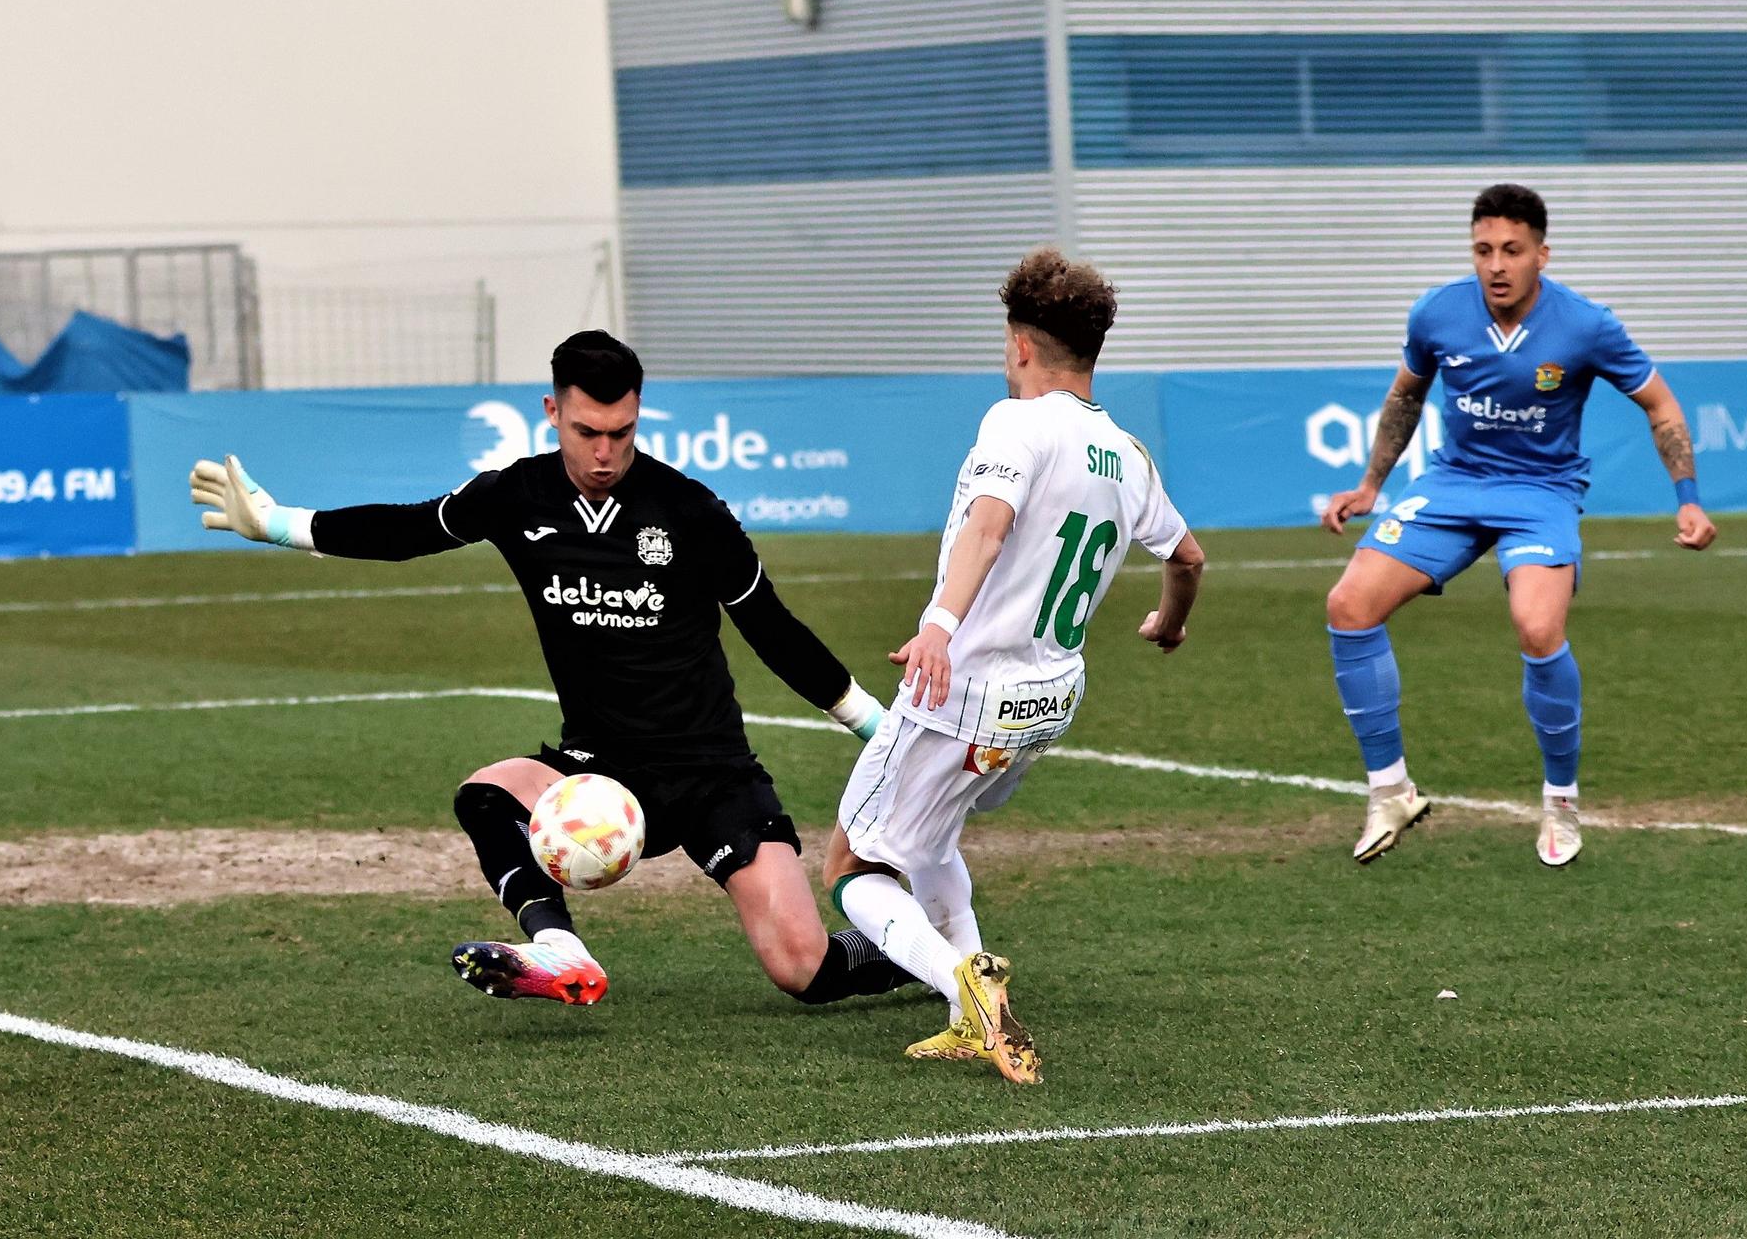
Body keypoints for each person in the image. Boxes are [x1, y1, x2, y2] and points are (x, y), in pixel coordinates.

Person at [190, 330, 915, 1008]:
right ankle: (561, 952)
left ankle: (926, 951)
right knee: (484, 794)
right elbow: (407, 529)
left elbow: (772, 629)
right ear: (552, 413)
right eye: (587, 433)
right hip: (598, 771)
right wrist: (284, 524)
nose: (605, 453)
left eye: (622, 434)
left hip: (710, 771)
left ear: (638, 417)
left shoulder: (690, 512)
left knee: (803, 967)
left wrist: (878, 730)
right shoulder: (517, 496)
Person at [822, 248, 1207, 1084]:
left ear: (1022, 347)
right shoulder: (1127, 453)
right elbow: (1188, 558)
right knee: (929, 837)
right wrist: (1169, 627)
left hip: (962, 690)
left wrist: (935, 625)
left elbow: (988, 527)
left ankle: (963, 986)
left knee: (853, 865)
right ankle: (975, 1011)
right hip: (1050, 697)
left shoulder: (1015, 422)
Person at [1322, 183, 1717, 868]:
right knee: (1348, 605)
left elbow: (1661, 405)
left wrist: (1687, 496)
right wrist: (1370, 485)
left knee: (1538, 627)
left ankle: (1560, 800)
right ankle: (1390, 790)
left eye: (1512, 250)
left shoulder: (1587, 325)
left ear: (1542, 253)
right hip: (1452, 484)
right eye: (1483, 250)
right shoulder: (1437, 312)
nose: (1496, 265)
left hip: (1540, 492)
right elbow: (1404, 397)